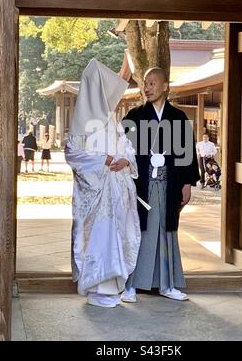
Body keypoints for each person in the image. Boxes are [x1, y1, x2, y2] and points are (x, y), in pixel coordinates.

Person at [65, 58, 141, 308]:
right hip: (96, 193)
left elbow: (128, 148)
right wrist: (103, 159)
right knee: (99, 237)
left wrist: (125, 161)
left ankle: (112, 286)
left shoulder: (113, 122)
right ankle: (97, 286)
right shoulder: (82, 120)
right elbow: (72, 153)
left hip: (116, 191)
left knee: (116, 238)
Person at [121, 67, 200, 303]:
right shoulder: (134, 116)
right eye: (145, 83)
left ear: (166, 86)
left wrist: (187, 182)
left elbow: (187, 152)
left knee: (166, 231)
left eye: (153, 83)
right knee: (139, 230)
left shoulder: (178, 117)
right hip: (142, 183)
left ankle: (167, 284)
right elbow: (122, 148)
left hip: (169, 182)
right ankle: (130, 285)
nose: (147, 87)